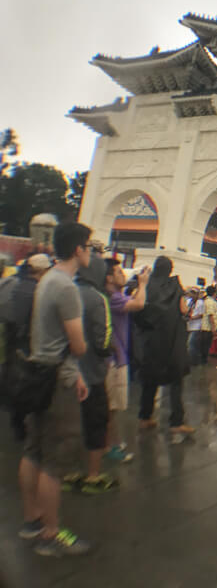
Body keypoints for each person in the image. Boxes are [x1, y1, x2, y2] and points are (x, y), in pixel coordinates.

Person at [19, 221, 93, 556]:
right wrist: (76, 365)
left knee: (33, 451)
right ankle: (51, 534)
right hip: (56, 384)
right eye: (89, 246)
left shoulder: (47, 278)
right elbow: (77, 346)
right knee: (55, 460)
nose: (90, 252)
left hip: (38, 374)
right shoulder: (66, 287)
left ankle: (32, 519)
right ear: (78, 249)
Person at [66, 249, 118, 494]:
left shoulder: (67, 290)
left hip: (66, 373)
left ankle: (70, 472)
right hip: (92, 374)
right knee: (95, 423)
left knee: (71, 424)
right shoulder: (98, 299)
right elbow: (103, 339)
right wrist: (109, 353)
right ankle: (93, 476)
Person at [135, 256, 193, 434]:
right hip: (172, 340)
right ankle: (176, 422)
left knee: (149, 381)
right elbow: (183, 309)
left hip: (151, 340)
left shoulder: (147, 285)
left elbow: (138, 307)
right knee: (176, 381)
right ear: (170, 269)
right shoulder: (175, 285)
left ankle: (145, 417)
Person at [0, 253, 50, 444]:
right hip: (29, 344)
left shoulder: (13, 284)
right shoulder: (38, 291)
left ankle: (17, 423)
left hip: (11, 342)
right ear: (43, 271)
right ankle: (26, 428)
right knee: (28, 387)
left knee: (14, 381)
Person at [103, 258, 145, 464]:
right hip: (114, 359)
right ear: (109, 277)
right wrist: (144, 283)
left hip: (116, 357)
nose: (123, 274)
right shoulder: (112, 297)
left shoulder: (116, 296)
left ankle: (110, 443)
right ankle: (111, 446)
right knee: (111, 408)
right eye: (119, 271)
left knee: (111, 407)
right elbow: (139, 304)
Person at [200, 286, 217, 365]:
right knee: (205, 345)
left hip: (206, 327)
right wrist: (213, 328)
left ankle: (203, 360)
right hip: (208, 328)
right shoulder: (210, 302)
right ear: (214, 293)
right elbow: (211, 315)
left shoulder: (208, 301)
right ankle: (203, 361)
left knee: (205, 345)